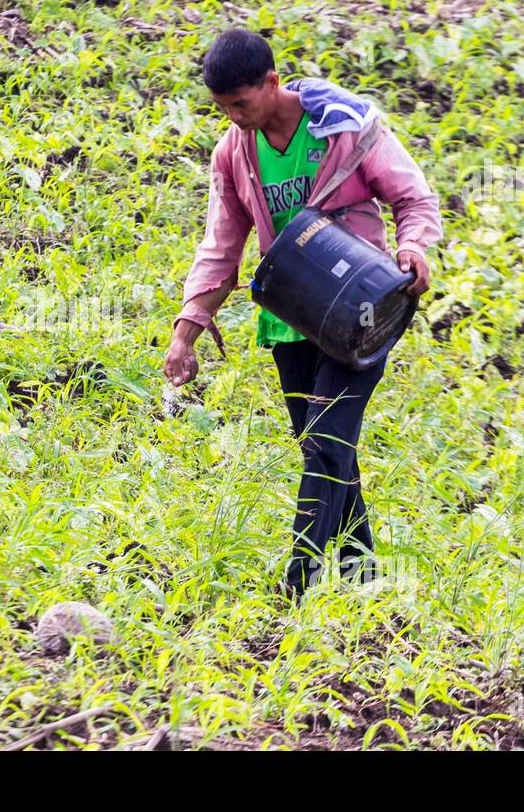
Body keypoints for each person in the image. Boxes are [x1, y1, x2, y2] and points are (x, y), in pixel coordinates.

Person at [163, 29, 443, 602]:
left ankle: (298, 586)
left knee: (326, 438)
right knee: (324, 444)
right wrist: (187, 328)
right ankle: (365, 578)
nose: (234, 118)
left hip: (363, 306)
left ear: (271, 82)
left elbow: (413, 197)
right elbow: (222, 244)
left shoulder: (346, 126)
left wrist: (413, 247)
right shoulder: (232, 152)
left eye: (240, 103)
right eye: (222, 108)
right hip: (289, 314)